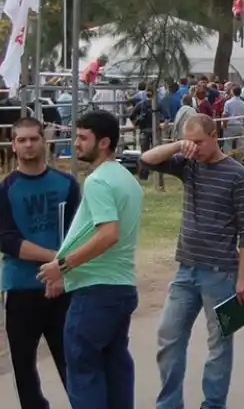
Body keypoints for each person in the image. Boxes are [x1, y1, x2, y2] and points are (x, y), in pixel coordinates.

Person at [140, 114, 244, 409]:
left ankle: (213, 404)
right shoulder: (188, 164)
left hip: (222, 273)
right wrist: (180, 145)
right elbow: (147, 160)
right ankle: (168, 403)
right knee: (169, 336)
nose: (195, 148)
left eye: (199, 142)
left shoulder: (238, 175)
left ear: (215, 135)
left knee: (219, 344)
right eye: (190, 142)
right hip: (185, 269)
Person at [37, 111, 143, 409]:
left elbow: (108, 233)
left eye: (83, 138)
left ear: (105, 142)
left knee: (84, 372)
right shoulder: (127, 179)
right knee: (115, 368)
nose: (76, 143)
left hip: (95, 290)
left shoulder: (98, 181)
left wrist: (62, 265)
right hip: (121, 288)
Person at [1, 117, 80, 409]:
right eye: (21, 140)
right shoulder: (6, 189)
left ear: (43, 141)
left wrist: (61, 271)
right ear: (13, 145)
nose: (28, 144)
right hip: (21, 288)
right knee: (23, 368)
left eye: (33, 138)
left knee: (72, 362)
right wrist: (56, 260)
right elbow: (7, 240)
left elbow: (78, 233)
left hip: (63, 289)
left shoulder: (67, 184)